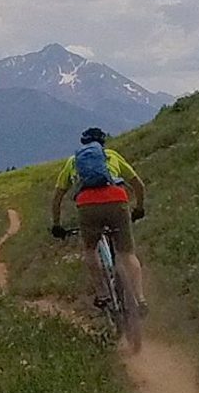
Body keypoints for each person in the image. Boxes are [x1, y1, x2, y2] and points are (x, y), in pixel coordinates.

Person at [49, 126, 148, 314]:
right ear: (103, 144)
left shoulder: (73, 161)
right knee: (127, 253)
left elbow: (57, 198)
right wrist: (139, 207)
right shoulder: (112, 155)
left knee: (90, 249)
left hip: (88, 205)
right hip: (117, 200)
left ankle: (103, 294)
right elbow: (138, 185)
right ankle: (140, 298)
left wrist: (56, 224)